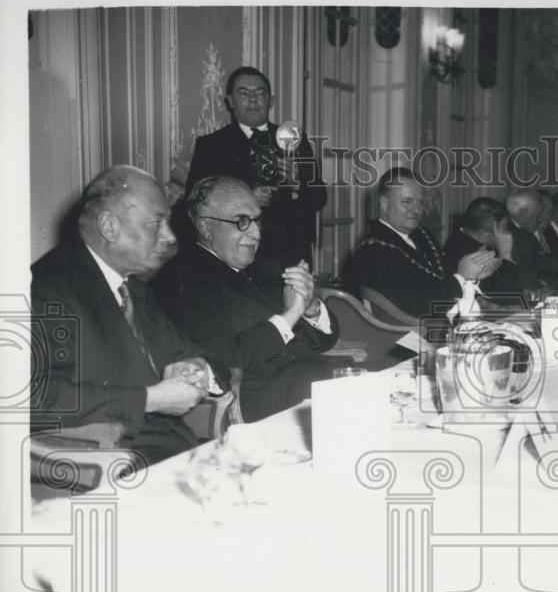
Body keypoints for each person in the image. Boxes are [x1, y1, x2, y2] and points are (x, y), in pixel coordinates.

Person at [31, 165, 227, 463]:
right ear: (109, 227)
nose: (170, 236)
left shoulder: (134, 288)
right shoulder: (48, 287)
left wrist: (197, 367)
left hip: (174, 452)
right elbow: (37, 397)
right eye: (155, 224)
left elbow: (193, 353)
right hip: (115, 464)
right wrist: (150, 399)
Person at [154, 176, 345, 422]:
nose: (256, 234)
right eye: (242, 222)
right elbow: (222, 359)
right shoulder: (184, 278)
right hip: (257, 408)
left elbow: (325, 341)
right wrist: (289, 316)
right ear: (205, 227)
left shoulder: (261, 266)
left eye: (256, 220)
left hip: (308, 389)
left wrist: (309, 308)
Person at [186, 66, 326, 267]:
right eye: (244, 93)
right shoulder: (211, 145)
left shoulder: (295, 139)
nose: (253, 100)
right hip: (234, 256)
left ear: (271, 101)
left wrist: (298, 185)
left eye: (260, 93)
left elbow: (319, 198)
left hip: (288, 256)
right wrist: (246, 199)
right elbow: (195, 204)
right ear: (230, 101)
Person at [347, 167, 500, 318]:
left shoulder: (422, 234)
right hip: (407, 337)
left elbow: (440, 279)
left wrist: (472, 275)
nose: (416, 210)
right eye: (406, 202)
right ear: (385, 204)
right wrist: (461, 277)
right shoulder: (373, 251)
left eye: (420, 202)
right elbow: (417, 306)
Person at [442, 197, 535, 302]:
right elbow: (510, 299)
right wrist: (505, 255)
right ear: (486, 234)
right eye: (504, 229)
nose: (508, 234)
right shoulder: (471, 254)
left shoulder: (460, 240)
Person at [506, 189, 558, 291]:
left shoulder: (525, 234)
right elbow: (540, 266)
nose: (541, 218)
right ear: (523, 212)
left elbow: (548, 262)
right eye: (538, 213)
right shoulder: (510, 234)